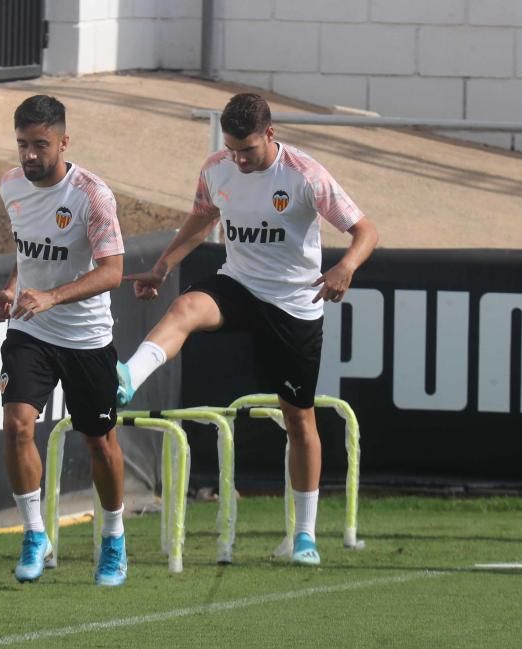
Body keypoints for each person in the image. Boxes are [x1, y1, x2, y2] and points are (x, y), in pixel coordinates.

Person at [116, 93, 379, 566]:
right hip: (238, 285)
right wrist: (162, 265)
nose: (239, 159)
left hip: (295, 302)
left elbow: (366, 231)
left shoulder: (305, 175)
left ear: (270, 135)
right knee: (186, 307)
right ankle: (128, 376)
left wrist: (346, 267)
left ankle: (303, 537)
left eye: (248, 151)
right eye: (233, 149)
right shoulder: (217, 168)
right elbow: (201, 218)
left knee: (298, 418)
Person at [0, 95, 128, 586]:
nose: (29, 155)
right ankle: (34, 534)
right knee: (17, 426)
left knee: (101, 443)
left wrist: (54, 296)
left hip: (87, 337)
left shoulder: (92, 196)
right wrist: (11, 287)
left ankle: (113, 539)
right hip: (31, 329)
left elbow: (113, 272)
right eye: (23, 144)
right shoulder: (11, 185)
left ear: (64, 142)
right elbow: (26, 249)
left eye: (40, 145)